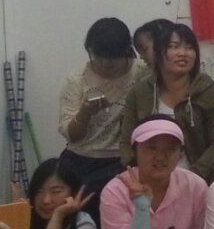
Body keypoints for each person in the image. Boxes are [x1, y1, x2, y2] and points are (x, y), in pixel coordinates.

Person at [57, 16, 147, 218]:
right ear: (90, 50)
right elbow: (72, 136)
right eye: (99, 56)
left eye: (113, 57)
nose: (106, 63)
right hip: (80, 160)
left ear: (126, 50)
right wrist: (85, 112)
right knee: (75, 220)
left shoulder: (142, 72)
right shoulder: (77, 79)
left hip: (121, 161)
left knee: (116, 220)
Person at [120, 22, 214, 182]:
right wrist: (139, 171)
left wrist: (192, 176)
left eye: (189, 47)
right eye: (174, 47)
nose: (182, 53)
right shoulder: (140, 92)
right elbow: (126, 142)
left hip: (197, 179)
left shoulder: (208, 90)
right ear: (158, 52)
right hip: (149, 179)